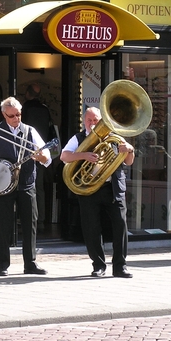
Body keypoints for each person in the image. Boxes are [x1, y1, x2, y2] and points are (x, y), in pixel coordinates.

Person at [60, 107, 135, 278]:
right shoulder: (78, 138)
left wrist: (129, 150)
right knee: (91, 228)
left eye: (96, 120)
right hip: (88, 189)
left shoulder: (114, 137)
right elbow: (64, 156)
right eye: (89, 120)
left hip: (113, 188)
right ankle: (98, 265)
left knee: (120, 226)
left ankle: (120, 266)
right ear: (84, 121)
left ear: (102, 120)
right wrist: (84, 155)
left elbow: (129, 162)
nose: (92, 124)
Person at [0, 96, 51, 276]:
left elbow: (47, 158)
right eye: (12, 115)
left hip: (26, 184)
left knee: (30, 223)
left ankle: (30, 263)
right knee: (4, 225)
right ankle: (2, 265)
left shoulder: (30, 131)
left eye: (19, 115)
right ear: (4, 115)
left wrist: (41, 157)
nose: (16, 119)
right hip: (4, 186)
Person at [21, 83, 53, 232]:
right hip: (42, 151)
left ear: (28, 93)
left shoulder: (25, 108)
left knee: (24, 186)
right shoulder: (45, 109)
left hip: (26, 152)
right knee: (39, 187)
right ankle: (40, 219)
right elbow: (50, 129)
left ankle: (25, 219)